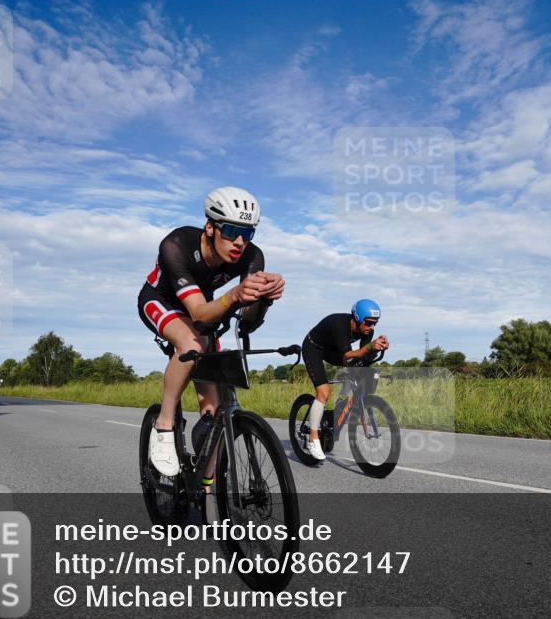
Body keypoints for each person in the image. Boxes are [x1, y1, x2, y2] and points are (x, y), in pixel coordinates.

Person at [138, 186, 284, 484]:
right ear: (210, 227)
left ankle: (204, 485)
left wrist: (264, 299)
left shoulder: (252, 256)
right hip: (162, 300)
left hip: (205, 309)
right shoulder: (176, 245)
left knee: (215, 411)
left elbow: (247, 322)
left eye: (248, 233)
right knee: (192, 342)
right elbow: (199, 314)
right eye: (231, 231)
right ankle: (164, 424)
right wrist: (235, 295)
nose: (240, 242)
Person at [300, 299, 389, 460]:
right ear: (357, 318)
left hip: (333, 351)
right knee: (324, 392)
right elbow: (348, 355)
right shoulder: (339, 324)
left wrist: (376, 349)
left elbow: (364, 355)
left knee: (357, 369)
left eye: (375, 323)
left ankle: (338, 409)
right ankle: (313, 438)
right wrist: (370, 346)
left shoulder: (368, 331)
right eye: (369, 323)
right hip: (313, 348)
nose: (372, 327)